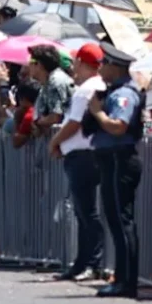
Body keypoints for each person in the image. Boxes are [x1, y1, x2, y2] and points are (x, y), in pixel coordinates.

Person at [86, 45, 144, 298]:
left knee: (122, 221)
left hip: (120, 159)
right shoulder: (114, 91)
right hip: (111, 160)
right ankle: (121, 278)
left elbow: (119, 126)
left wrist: (97, 113)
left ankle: (126, 281)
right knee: (116, 220)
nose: (100, 68)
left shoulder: (124, 94)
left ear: (115, 67)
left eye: (104, 63)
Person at [49, 42, 106, 283]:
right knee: (85, 213)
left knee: (86, 213)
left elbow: (74, 123)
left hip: (82, 155)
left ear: (81, 63)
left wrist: (55, 142)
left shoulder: (85, 90)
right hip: (92, 153)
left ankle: (92, 263)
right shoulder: (99, 85)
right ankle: (83, 262)